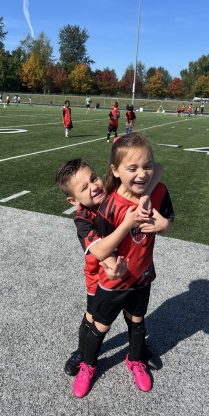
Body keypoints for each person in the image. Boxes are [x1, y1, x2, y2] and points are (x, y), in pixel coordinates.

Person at [73, 132, 175, 398]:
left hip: (142, 276)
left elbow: (167, 214)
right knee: (100, 326)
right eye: (133, 168)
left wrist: (165, 225)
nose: (142, 174)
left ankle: (135, 359)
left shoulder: (159, 191)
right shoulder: (108, 207)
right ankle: (87, 364)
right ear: (116, 171)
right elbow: (106, 246)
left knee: (138, 321)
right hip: (114, 280)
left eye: (146, 166)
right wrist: (108, 264)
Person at [55, 158, 163, 378]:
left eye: (93, 178)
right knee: (93, 317)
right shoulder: (83, 220)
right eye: (84, 188)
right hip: (99, 278)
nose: (94, 186)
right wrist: (113, 264)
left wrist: (142, 185)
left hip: (133, 271)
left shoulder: (113, 190)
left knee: (134, 314)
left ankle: (138, 350)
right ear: (73, 200)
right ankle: (83, 353)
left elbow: (158, 168)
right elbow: (101, 252)